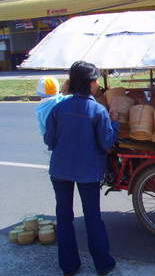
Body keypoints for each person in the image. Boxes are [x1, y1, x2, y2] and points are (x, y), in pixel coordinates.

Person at [44, 61, 119, 276]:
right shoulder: (98, 110)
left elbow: (49, 140)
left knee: (64, 216)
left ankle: (69, 266)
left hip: (60, 170)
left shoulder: (58, 108)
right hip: (88, 172)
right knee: (92, 217)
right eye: (96, 80)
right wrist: (114, 124)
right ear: (91, 84)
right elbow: (106, 144)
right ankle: (103, 264)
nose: (97, 84)